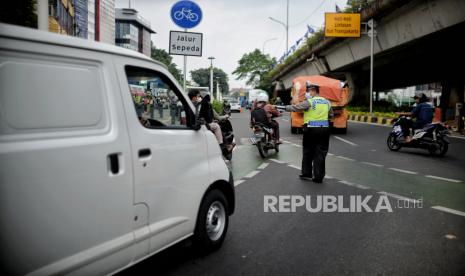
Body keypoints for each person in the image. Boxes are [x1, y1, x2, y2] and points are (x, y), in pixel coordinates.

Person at [281, 81, 333, 183]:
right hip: (324, 130)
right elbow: (331, 116)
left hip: (311, 130)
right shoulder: (327, 102)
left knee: (308, 152)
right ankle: (318, 177)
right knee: (321, 153)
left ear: (314, 91)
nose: (308, 93)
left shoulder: (310, 102)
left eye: (309, 91)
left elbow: (295, 108)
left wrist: (285, 107)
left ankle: (307, 173)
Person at [188, 89, 230, 155]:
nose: (200, 98)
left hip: (199, 124)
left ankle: (224, 145)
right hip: (199, 125)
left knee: (215, 125)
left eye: (200, 97)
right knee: (216, 126)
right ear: (194, 97)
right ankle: (221, 145)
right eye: (199, 96)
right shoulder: (200, 105)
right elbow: (215, 117)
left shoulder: (192, 104)